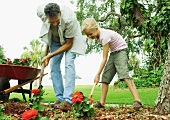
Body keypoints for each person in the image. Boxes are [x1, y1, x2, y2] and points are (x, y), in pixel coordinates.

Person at [82, 18, 142, 110]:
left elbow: (104, 58)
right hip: (114, 52)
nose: (90, 36)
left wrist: (97, 74)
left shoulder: (104, 36)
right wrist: (100, 75)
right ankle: (102, 102)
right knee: (105, 77)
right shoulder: (98, 36)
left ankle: (137, 100)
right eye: (87, 35)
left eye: (91, 34)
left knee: (124, 74)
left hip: (121, 50)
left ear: (96, 28)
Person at [36, 3, 86, 109]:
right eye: (51, 22)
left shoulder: (70, 19)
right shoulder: (41, 12)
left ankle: (67, 100)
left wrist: (50, 55)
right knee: (54, 66)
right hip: (55, 38)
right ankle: (60, 98)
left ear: (60, 13)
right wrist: (50, 54)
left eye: (56, 21)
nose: (54, 24)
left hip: (71, 39)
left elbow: (68, 44)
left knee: (69, 63)